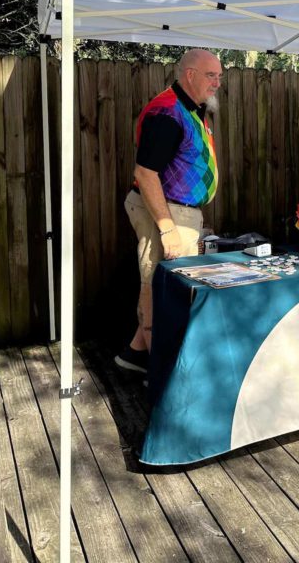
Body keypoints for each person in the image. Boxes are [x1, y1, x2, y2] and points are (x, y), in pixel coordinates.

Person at [115, 48, 222, 374]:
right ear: (189, 74)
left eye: (219, 76)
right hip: (166, 213)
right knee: (160, 288)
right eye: (210, 75)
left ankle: (134, 356)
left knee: (166, 287)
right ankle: (163, 374)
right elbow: (146, 174)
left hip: (179, 211)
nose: (217, 83)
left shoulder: (191, 107)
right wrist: (167, 228)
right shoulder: (167, 113)